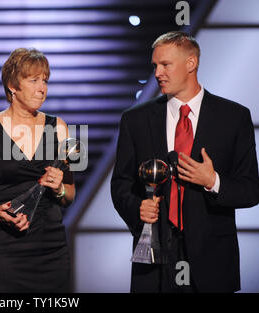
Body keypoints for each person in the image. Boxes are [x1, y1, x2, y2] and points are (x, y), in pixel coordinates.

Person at [111, 31, 259, 293]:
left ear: (191, 64)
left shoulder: (234, 117)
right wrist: (137, 208)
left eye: (165, 64)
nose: (158, 73)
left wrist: (212, 181)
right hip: (154, 260)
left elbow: (250, 189)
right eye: (155, 65)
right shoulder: (135, 120)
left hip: (211, 259)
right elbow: (121, 184)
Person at [0, 48, 75, 292]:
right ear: (12, 86)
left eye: (45, 80)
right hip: (4, 248)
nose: (42, 88)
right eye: (33, 80)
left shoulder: (59, 128)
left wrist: (60, 188)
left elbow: (70, 195)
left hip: (51, 249)